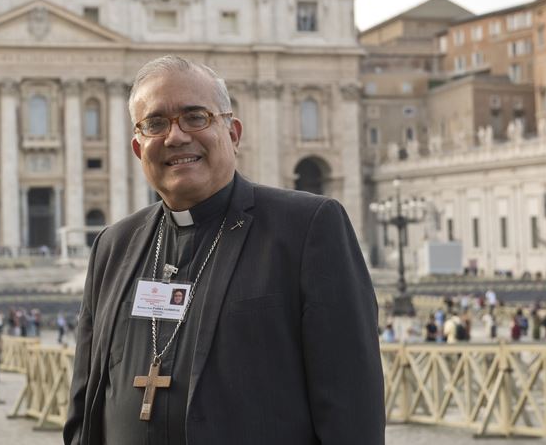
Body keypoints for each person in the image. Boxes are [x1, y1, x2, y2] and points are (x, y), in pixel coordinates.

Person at [64, 56, 384, 445]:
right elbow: (86, 404)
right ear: (138, 147)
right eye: (156, 124)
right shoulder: (113, 247)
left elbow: (352, 411)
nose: (176, 136)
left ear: (233, 133)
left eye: (195, 117)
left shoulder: (307, 228)